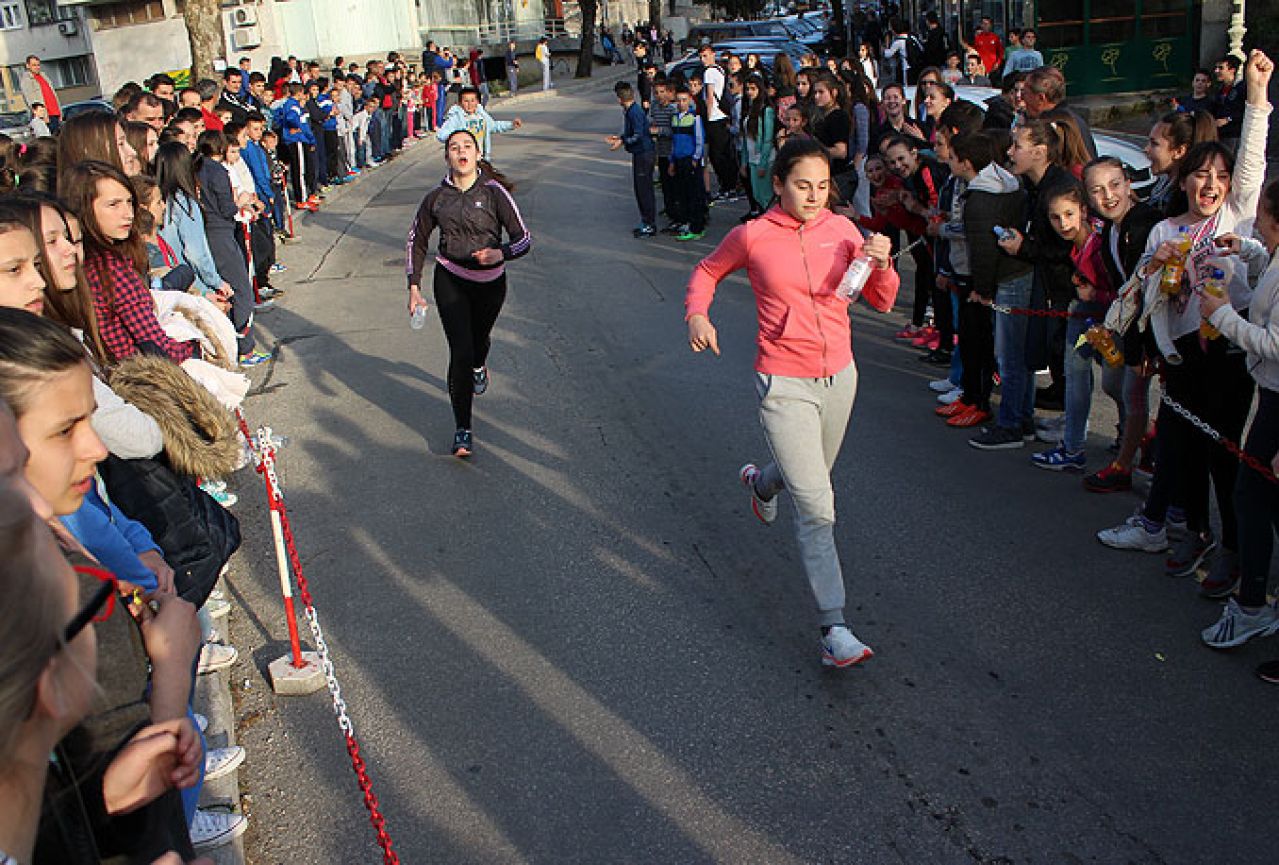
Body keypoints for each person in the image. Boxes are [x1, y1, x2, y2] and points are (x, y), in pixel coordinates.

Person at [683, 138, 899, 668]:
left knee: (811, 478)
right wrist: (697, 314)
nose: (814, 196)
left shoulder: (844, 231)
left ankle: (761, 483)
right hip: (783, 382)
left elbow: (882, 298)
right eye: (803, 185)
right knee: (817, 505)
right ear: (778, 184)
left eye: (823, 187)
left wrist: (883, 261)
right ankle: (835, 628)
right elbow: (707, 271)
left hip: (840, 377)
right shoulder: (752, 235)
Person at [1113, 50, 1271, 596]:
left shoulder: (1237, 218)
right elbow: (1142, 299)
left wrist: (1255, 96)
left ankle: (1230, 550)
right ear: (1184, 181)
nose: (1211, 184)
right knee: (1182, 448)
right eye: (1201, 175)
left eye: (1220, 177)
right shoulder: (1163, 232)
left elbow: (1253, 158)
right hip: (1180, 356)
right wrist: (1155, 277)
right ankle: (1195, 530)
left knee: (1225, 450)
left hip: (1228, 353)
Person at [405, 129, 532, 457]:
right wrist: (414, 287)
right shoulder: (436, 198)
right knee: (459, 352)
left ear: (477, 154)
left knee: (478, 343)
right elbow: (416, 240)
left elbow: (523, 239)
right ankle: (463, 428)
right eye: (454, 147)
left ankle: (480, 364)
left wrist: (500, 253)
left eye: (467, 146)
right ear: (447, 156)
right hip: (451, 279)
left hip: (491, 283)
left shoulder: (494, 193)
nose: (460, 152)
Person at [1199, 177, 1279, 662]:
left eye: (1262, 222)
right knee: (1260, 495)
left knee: (1252, 494)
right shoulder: (1273, 252)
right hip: (1271, 396)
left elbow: (1275, 343)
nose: (1259, 226)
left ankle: (1252, 605)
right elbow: (1270, 264)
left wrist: (1225, 315)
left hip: (1277, 397)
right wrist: (1246, 249)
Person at [1080, 156, 1163, 493]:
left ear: (1129, 184)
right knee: (1114, 384)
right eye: (1097, 190)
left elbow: (1149, 289)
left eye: (1115, 185)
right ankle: (1146, 433)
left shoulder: (1143, 225)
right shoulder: (1110, 230)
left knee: (1132, 393)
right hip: (1126, 324)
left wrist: (1146, 344)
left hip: (1149, 328)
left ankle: (1124, 465)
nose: (1108, 196)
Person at [606, 82, 657, 238]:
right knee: (640, 189)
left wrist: (623, 141)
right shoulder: (631, 110)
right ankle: (646, 220)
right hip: (640, 153)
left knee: (644, 190)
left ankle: (649, 224)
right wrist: (621, 137)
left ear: (620, 98)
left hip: (644, 154)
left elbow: (638, 135)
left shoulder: (634, 112)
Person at [434, 86, 523, 165]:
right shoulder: (456, 118)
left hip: (482, 157)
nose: (469, 104)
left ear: (477, 101)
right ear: (460, 103)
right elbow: (441, 135)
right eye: (466, 101)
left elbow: (493, 126)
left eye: (473, 100)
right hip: (466, 158)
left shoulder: (481, 115)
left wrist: (511, 125)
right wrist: (457, 138)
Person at [698, 44, 737, 201]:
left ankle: (728, 187)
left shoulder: (709, 72)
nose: (703, 60)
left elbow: (709, 96)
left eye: (705, 56)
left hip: (714, 117)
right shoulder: (720, 69)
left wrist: (707, 117)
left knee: (717, 155)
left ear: (713, 54)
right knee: (724, 153)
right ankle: (730, 186)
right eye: (701, 57)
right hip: (723, 115)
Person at [669, 85, 707, 242]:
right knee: (682, 193)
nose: (681, 103)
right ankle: (686, 222)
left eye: (684, 100)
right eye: (678, 100)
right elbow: (673, 142)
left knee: (694, 194)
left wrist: (695, 159)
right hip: (678, 160)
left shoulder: (695, 119)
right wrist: (672, 161)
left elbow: (700, 140)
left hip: (690, 160)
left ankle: (697, 227)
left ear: (690, 100)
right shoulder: (674, 118)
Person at [19, 55, 62, 133]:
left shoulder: (44, 76)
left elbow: (53, 95)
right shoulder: (27, 80)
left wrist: (59, 112)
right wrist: (42, 116)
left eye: (38, 65)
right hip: (45, 117)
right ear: (28, 66)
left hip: (55, 114)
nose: (37, 67)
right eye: (34, 65)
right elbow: (31, 100)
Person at [1212, 54, 1245, 150]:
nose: (1216, 71)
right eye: (1216, 68)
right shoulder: (1220, 91)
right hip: (1220, 134)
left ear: (1232, 70)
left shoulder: (1242, 88)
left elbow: (1245, 112)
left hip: (1234, 135)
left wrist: (1228, 119)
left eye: (1221, 68)